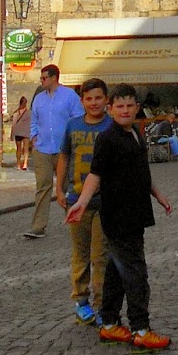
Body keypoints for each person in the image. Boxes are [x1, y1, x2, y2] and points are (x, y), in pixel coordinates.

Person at [64, 82, 172, 351]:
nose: (125, 110)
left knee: (114, 270)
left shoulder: (135, 133)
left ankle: (110, 322)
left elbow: (141, 172)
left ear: (137, 108)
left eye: (129, 105)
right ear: (111, 109)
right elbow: (95, 174)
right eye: (120, 106)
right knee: (135, 272)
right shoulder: (108, 139)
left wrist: (158, 195)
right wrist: (82, 203)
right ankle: (140, 328)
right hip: (118, 216)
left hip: (136, 214)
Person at [55, 77, 114, 323]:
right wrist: (59, 189)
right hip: (76, 198)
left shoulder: (112, 126)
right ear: (82, 101)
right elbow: (64, 157)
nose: (94, 103)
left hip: (105, 201)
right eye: (89, 99)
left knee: (101, 256)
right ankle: (81, 300)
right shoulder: (73, 126)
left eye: (98, 98)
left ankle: (101, 304)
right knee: (80, 254)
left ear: (106, 100)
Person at [25, 64, 81, 239]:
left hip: (63, 149)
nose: (41, 81)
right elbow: (34, 120)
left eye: (44, 78)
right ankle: (38, 226)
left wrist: (73, 141)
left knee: (67, 186)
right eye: (41, 78)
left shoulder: (70, 96)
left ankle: (74, 224)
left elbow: (78, 119)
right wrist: (34, 137)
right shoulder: (39, 99)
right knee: (42, 186)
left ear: (54, 78)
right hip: (42, 148)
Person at [10, 97, 31, 168]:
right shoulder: (29, 113)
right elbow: (32, 123)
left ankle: (18, 164)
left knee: (19, 148)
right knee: (26, 149)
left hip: (18, 132)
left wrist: (12, 134)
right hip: (26, 132)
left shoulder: (16, 113)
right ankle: (25, 164)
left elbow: (14, 124)